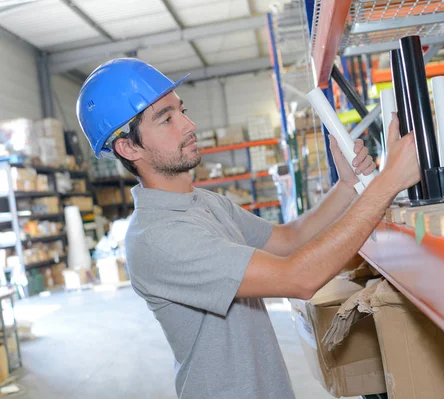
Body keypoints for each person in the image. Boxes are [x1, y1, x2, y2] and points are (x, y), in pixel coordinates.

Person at [77, 58, 420, 399]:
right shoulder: (159, 238)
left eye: (181, 110)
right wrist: (387, 183)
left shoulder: (204, 203)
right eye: (166, 119)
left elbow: (289, 239)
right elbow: (297, 278)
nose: (188, 124)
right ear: (128, 146)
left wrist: (346, 187)